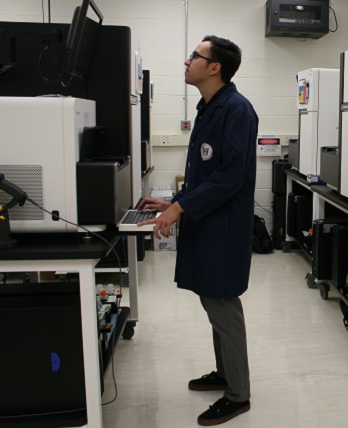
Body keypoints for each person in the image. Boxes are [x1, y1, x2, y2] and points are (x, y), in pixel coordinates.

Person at [137, 35, 258, 426]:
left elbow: (228, 178)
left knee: (224, 307)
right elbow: (202, 172)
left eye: (194, 55)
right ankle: (225, 375)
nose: (186, 61)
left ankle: (238, 394)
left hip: (222, 228)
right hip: (207, 223)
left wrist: (180, 209)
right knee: (213, 304)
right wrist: (173, 200)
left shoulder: (236, 110)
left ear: (214, 66)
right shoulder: (209, 107)